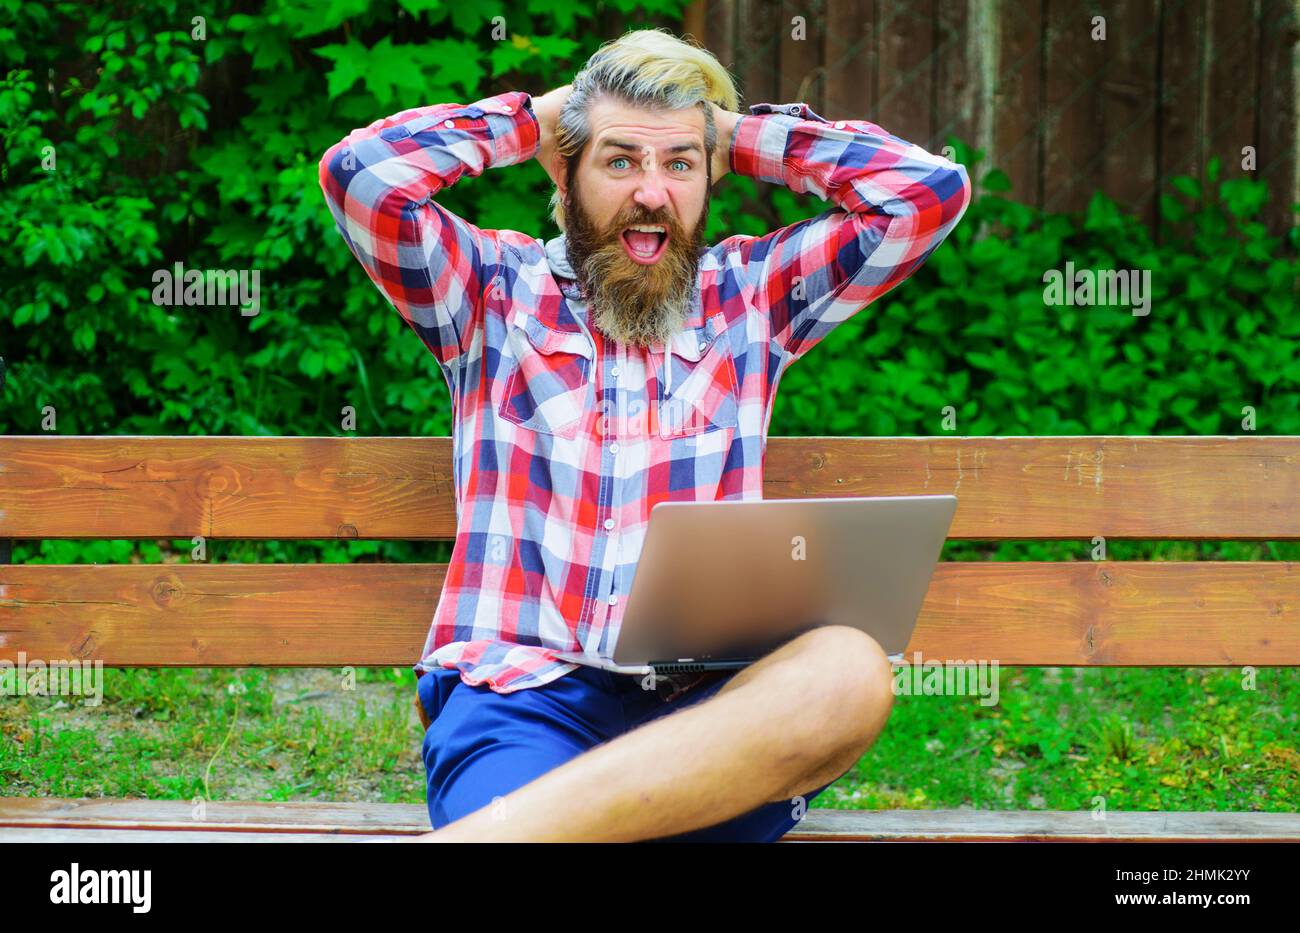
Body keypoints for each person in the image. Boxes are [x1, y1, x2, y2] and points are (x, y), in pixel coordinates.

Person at [317, 27, 971, 842]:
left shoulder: (753, 298)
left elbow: (928, 192)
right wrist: (533, 120)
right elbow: (361, 178)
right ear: (567, 170)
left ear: (709, 178)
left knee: (849, 669)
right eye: (620, 160)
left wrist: (736, 133)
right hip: (522, 705)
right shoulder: (486, 293)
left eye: (679, 164)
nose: (652, 192)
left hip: (711, 720)